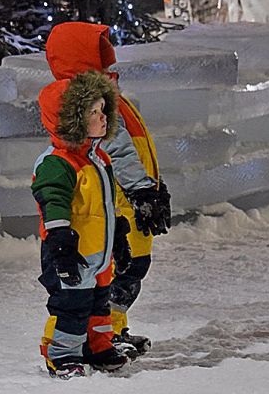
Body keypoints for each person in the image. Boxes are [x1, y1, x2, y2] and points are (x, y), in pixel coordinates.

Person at [45, 22, 172, 359]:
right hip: (117, 201)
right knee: (122, 267)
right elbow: (115, 150)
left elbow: (134, 146)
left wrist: (154, 187)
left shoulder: (105, 95)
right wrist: (142, 191)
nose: (108, 54)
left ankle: (112, 329)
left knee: (123, 265)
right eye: (98, 48)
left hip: (126, 196)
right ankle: (98, 335)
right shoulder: (87, 103)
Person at [32, 70, 133, 379]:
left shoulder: (100, 159)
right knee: (71, 306)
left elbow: (106, 204)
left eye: (104, 110)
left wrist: (118, 238)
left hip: (99, 256)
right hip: (70, 252)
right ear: (71, 120)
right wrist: (60, 239)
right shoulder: (58, 162)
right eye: (94, 112)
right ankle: (62, 355)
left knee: (99, 304)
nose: (103, 118)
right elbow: (54, 201)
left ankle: (97, 346)